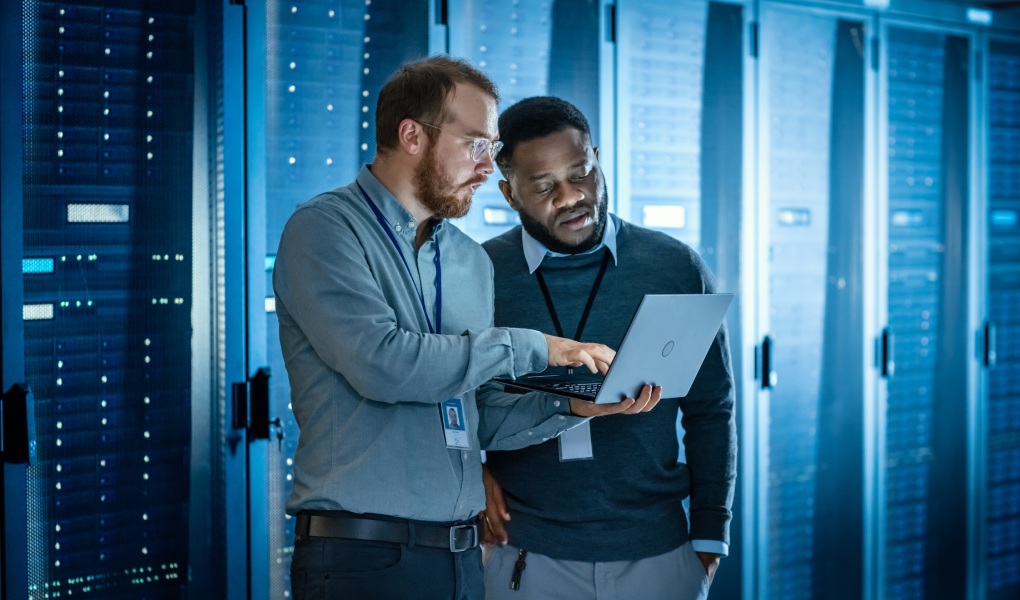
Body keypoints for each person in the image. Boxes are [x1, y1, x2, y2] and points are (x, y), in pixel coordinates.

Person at [273, 58, 662, 600]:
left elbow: (477, 416)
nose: (488, 168)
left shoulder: (467, 260)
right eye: (477, 144)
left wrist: (572, 407)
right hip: (362, 557)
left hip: (461, 558)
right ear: (411, 134)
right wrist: (537, 347)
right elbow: (384, 365)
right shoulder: (325, 230)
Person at [480, 96, 737, 600]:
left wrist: (709, 538)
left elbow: (712, 409)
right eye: (544, 186)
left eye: (582, 173)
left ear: (597, 158)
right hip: (526, 558)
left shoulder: (673, 266)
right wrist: (475, 473)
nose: (572, 196)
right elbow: (452, 402)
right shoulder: (482, 276)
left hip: (659, 556)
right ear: (510, 195)